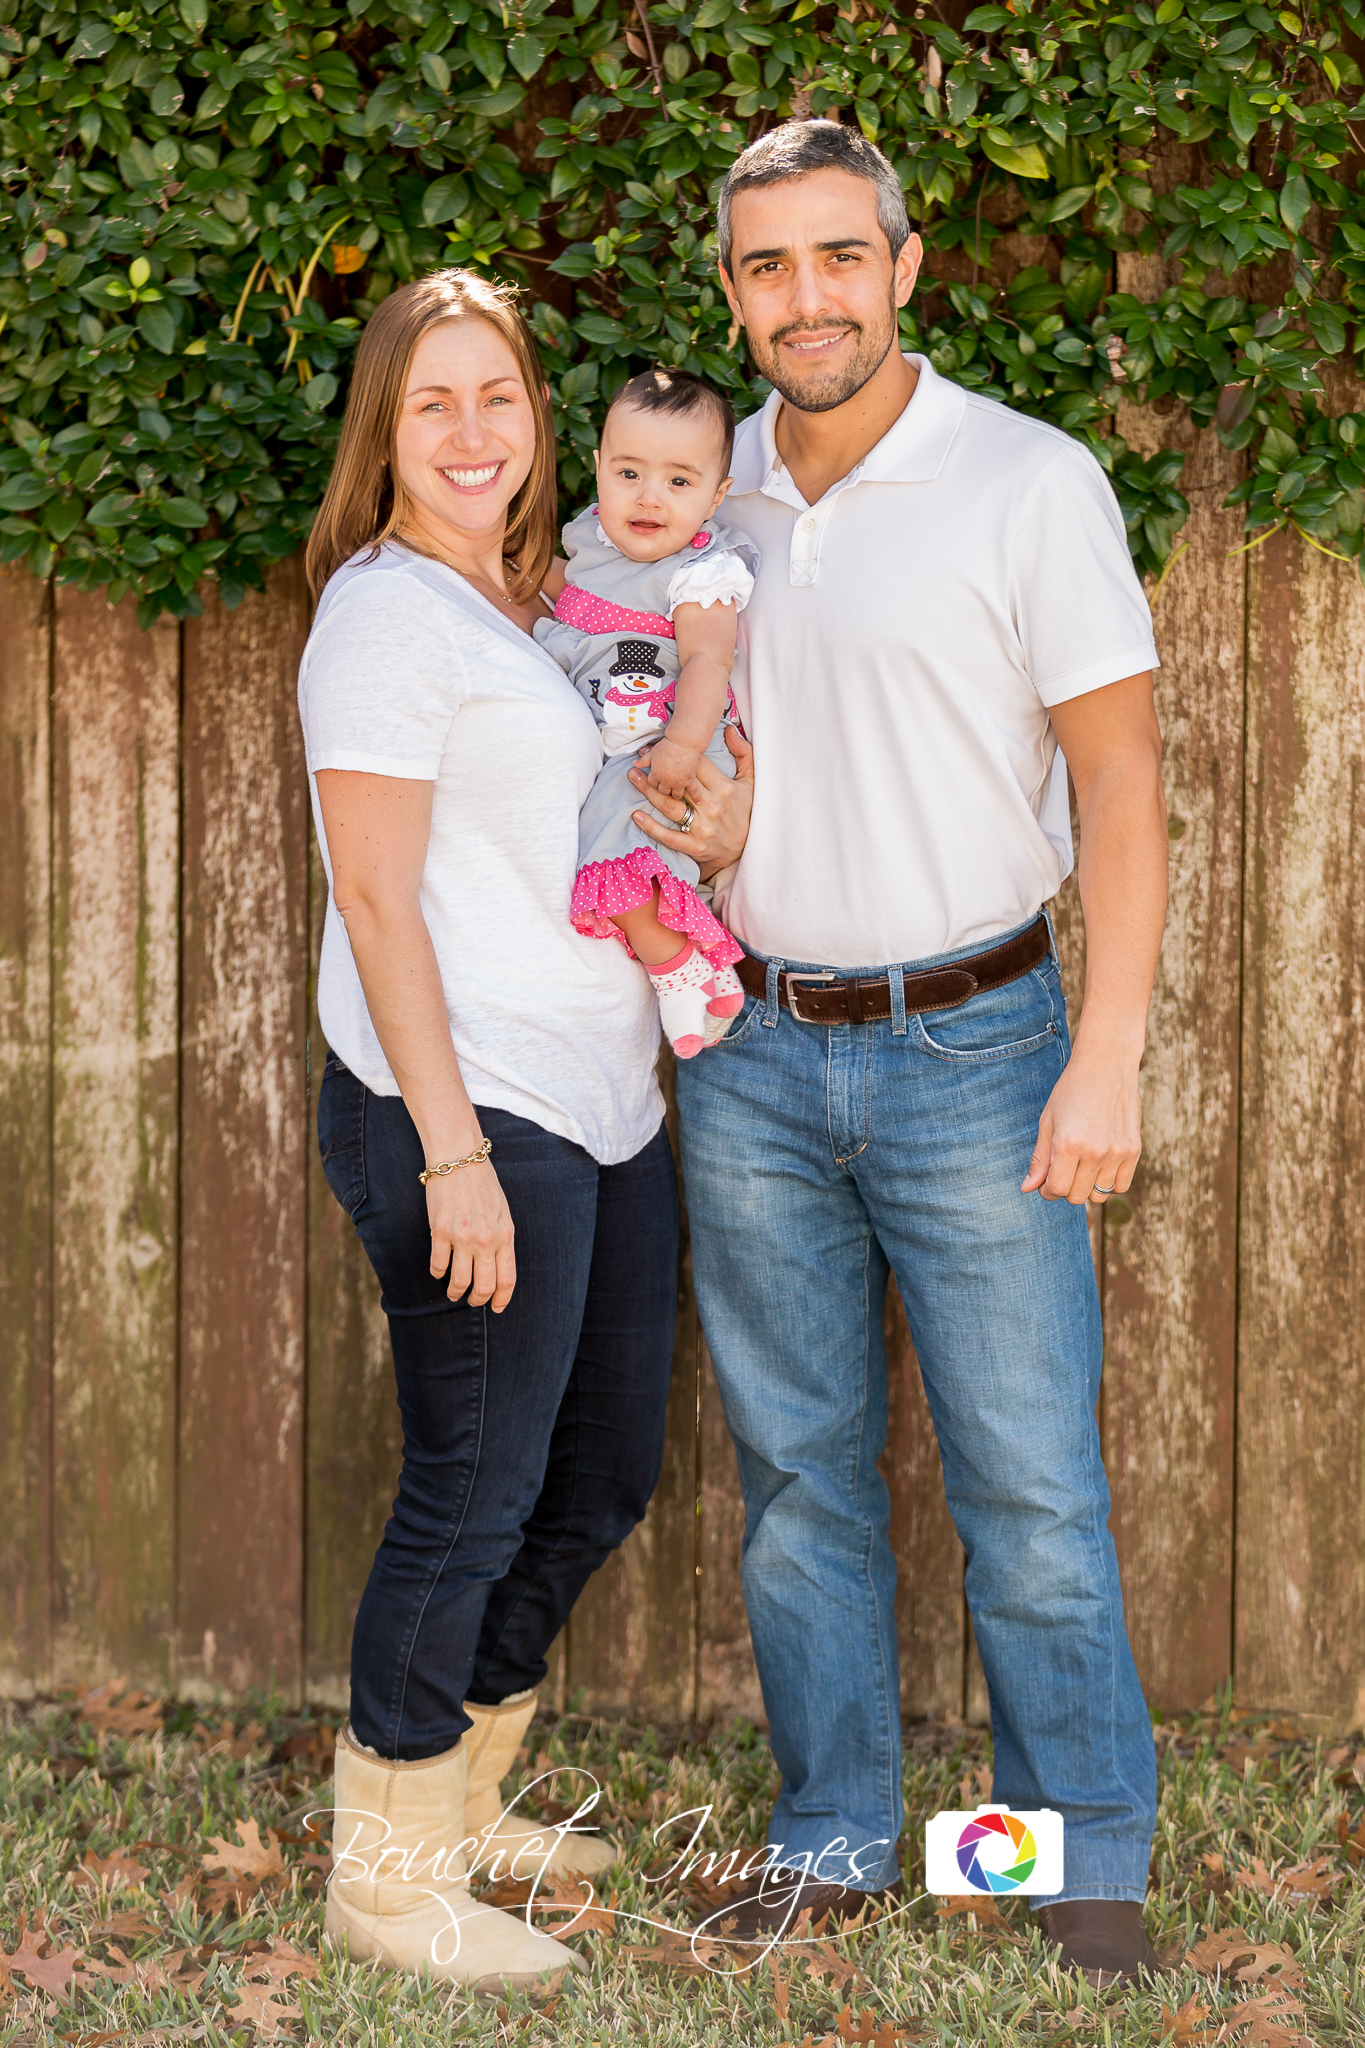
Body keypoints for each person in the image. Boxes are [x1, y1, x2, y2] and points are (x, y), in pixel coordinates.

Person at [633, 120, 1169, 1986]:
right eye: (767, 267)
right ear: (733, 293)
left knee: (1028, 1488)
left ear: (905, 266)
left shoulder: (1027, 481)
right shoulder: (703, 501)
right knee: (799, 1485)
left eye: (839, 257)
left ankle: (1067, 1859)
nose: (808, 298)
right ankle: (838, 1841)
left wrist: (1107, 1055)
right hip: (752, 1050)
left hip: (980, 1047)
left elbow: (1122, 784)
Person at [298, 268, 681, 1995]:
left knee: (600, 1473)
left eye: (499, 396)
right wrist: (451, 1153)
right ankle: (388, 1886)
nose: (471, 431)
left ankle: (460, 1792)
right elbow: (376, 899)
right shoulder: (385, 617)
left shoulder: (529, 604)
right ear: (383, 432)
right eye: (432, 402)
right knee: (471, 1491)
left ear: (538, 417)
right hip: (468, 1111)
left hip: (605, 1098)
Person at [536, 367, 757, 1056]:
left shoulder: (700, 570)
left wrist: (683, 748)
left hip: (666, 741)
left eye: (679, 481)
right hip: (625, 737)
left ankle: (678, 971)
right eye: (628, 473)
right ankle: (704, 977)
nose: (649, 496)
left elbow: (708, 662)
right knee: (618, 863)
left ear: (717, 495)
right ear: (598, 466)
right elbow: (571, 598)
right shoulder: (591, 541)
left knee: (617, 864)